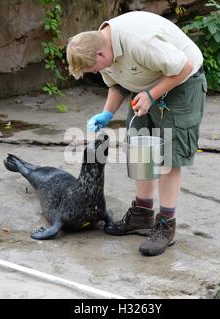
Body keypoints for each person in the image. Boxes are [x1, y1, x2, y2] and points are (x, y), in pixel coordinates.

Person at [66, 11, 206, 256]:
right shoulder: (102, 47)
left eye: (92, 68)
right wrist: (107, 113)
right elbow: (118, 82)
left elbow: (185, 66)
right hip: (147, 84)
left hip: (182, 82)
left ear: (101, 53)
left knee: (168, 157)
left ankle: (166, 225)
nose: (93, 72)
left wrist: (152, 96)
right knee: (141, 149)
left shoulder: (140, 42)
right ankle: (142, 214)